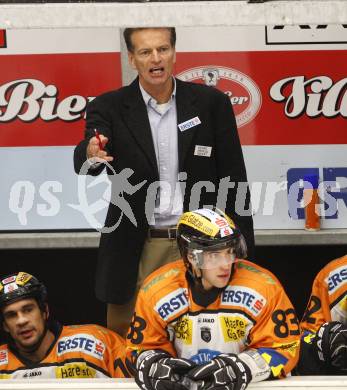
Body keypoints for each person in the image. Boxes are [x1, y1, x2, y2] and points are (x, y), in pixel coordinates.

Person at [74, 27, 254, 337]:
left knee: (206, 334)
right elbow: (86, 161)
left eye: (163, 49)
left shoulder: (211, 104)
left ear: (173, 52)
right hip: (139, 246)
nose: (155, 59)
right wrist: (92, 152)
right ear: (132, 58)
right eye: (145, 52)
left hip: (203, 244)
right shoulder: (109, 107)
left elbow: (234, 179)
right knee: (129, 340)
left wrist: (243, 249)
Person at [126, 208, 300, 390]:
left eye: (230, 251)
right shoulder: (156, 291)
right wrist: (154, 364)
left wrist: (240, 369)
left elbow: (285, 348)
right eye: (214, 255)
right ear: (191, 256)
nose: (226, 264)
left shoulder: (264, 287)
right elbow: (138, 349)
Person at [0, 271, 131, 379]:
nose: (21, 321)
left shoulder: (98, 342)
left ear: (45, 311)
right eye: (11, 315)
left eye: (28, 310)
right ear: (5, 325)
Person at [296, 254, 347, 375]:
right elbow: (305, 346)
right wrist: (324, 342)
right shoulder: (332, 274)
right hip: (337, 374)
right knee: (330, 340)